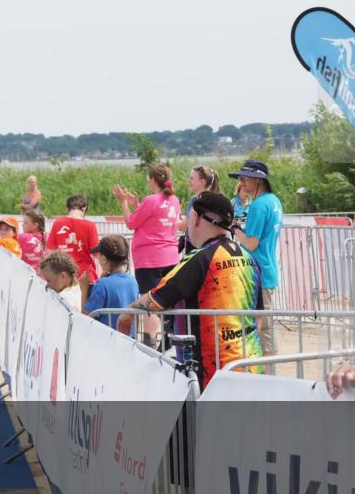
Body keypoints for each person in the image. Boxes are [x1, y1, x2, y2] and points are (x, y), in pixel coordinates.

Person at [121, 192, 264, 387]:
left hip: (211, 376)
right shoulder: (250, 259)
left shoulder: (200, 258)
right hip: (250, 366)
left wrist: (128, 312)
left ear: (196, 218)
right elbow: (259, 317)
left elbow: (156, 299)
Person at [112, 163, 181, 339]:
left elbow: (131, 222)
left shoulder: (151, 200)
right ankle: (168, 337)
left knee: (149, 303)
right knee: (168, 300)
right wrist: (138, 205)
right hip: (171, 257)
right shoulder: (174, 200)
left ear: (152, 180)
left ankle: (152, 343)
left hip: (150, 260)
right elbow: (156, 219)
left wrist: (123, 203)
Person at [229, 160, 283, 367]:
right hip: (268, 270)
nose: (241, 182)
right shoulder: (274, 201)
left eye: (245, 177)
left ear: (258, 179)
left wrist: (235, 227)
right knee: (267, 326)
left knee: (257, 325)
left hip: (257, 272)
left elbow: (251, 243)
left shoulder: (259, 205)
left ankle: (261, 371)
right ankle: (271, 373)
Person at [47, 194, 100, 301]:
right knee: (84, 314)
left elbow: (50, 253)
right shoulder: (89, 225)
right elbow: (97, 253)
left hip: (63, 278)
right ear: (85, 208)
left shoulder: (57, 224)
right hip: (85, 276)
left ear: (67, 208)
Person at [83, 235, 139, 333]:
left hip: (106, 342)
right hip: (128, 340)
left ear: (104, 259)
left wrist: (83, 290)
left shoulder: (102, 284)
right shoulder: (133, 281)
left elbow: (86, 316)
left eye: (98, 256)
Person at [176, 166, 220, 250]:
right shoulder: (216, 199)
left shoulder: (196, 199)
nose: (189, 181)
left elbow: (183, 225)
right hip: (211, 246)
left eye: (192, 178)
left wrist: (170, 219)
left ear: (202, 181)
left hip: (194, 246)